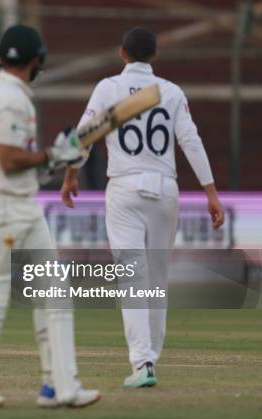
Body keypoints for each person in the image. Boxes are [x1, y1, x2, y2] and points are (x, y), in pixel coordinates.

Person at [0, 25, 100, 408]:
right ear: (36, 61)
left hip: (20, 203)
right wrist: (53, 155)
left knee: (55, 292)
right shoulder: (13, 98)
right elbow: (10, 159)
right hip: (0, 205)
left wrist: (45, 161)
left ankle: (59, 386)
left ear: (1, 57)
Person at [61, 27, 225, 387]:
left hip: (124, 186)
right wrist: (211, 192)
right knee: (156, 281)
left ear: (122, 53)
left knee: (133, 279)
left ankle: (142, 362)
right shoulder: (170, 91)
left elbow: (85, 133)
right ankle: (151, 358)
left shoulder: (109, 88)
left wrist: (71, 175)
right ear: (154, 55)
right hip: (165, 188)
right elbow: (190, 141)